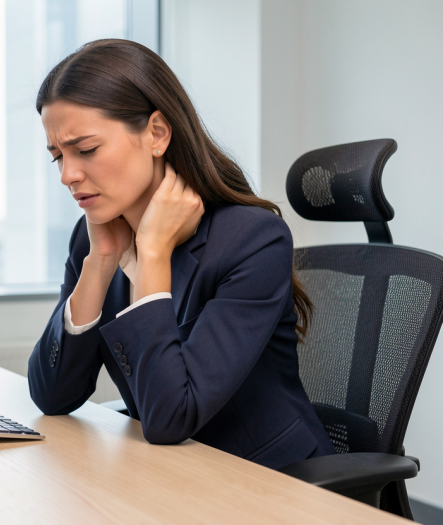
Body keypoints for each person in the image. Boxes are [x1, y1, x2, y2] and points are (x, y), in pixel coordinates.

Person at [26, 39, 335, 470]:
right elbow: (52, 396)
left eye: (87, 150)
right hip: (172, 475)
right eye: (57, 157)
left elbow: (171, 418)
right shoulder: (94, 238)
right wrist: (99, 263)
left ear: (156, 134)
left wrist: (153, 253)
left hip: (268, 479)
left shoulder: (252, 240)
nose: (68, 175)